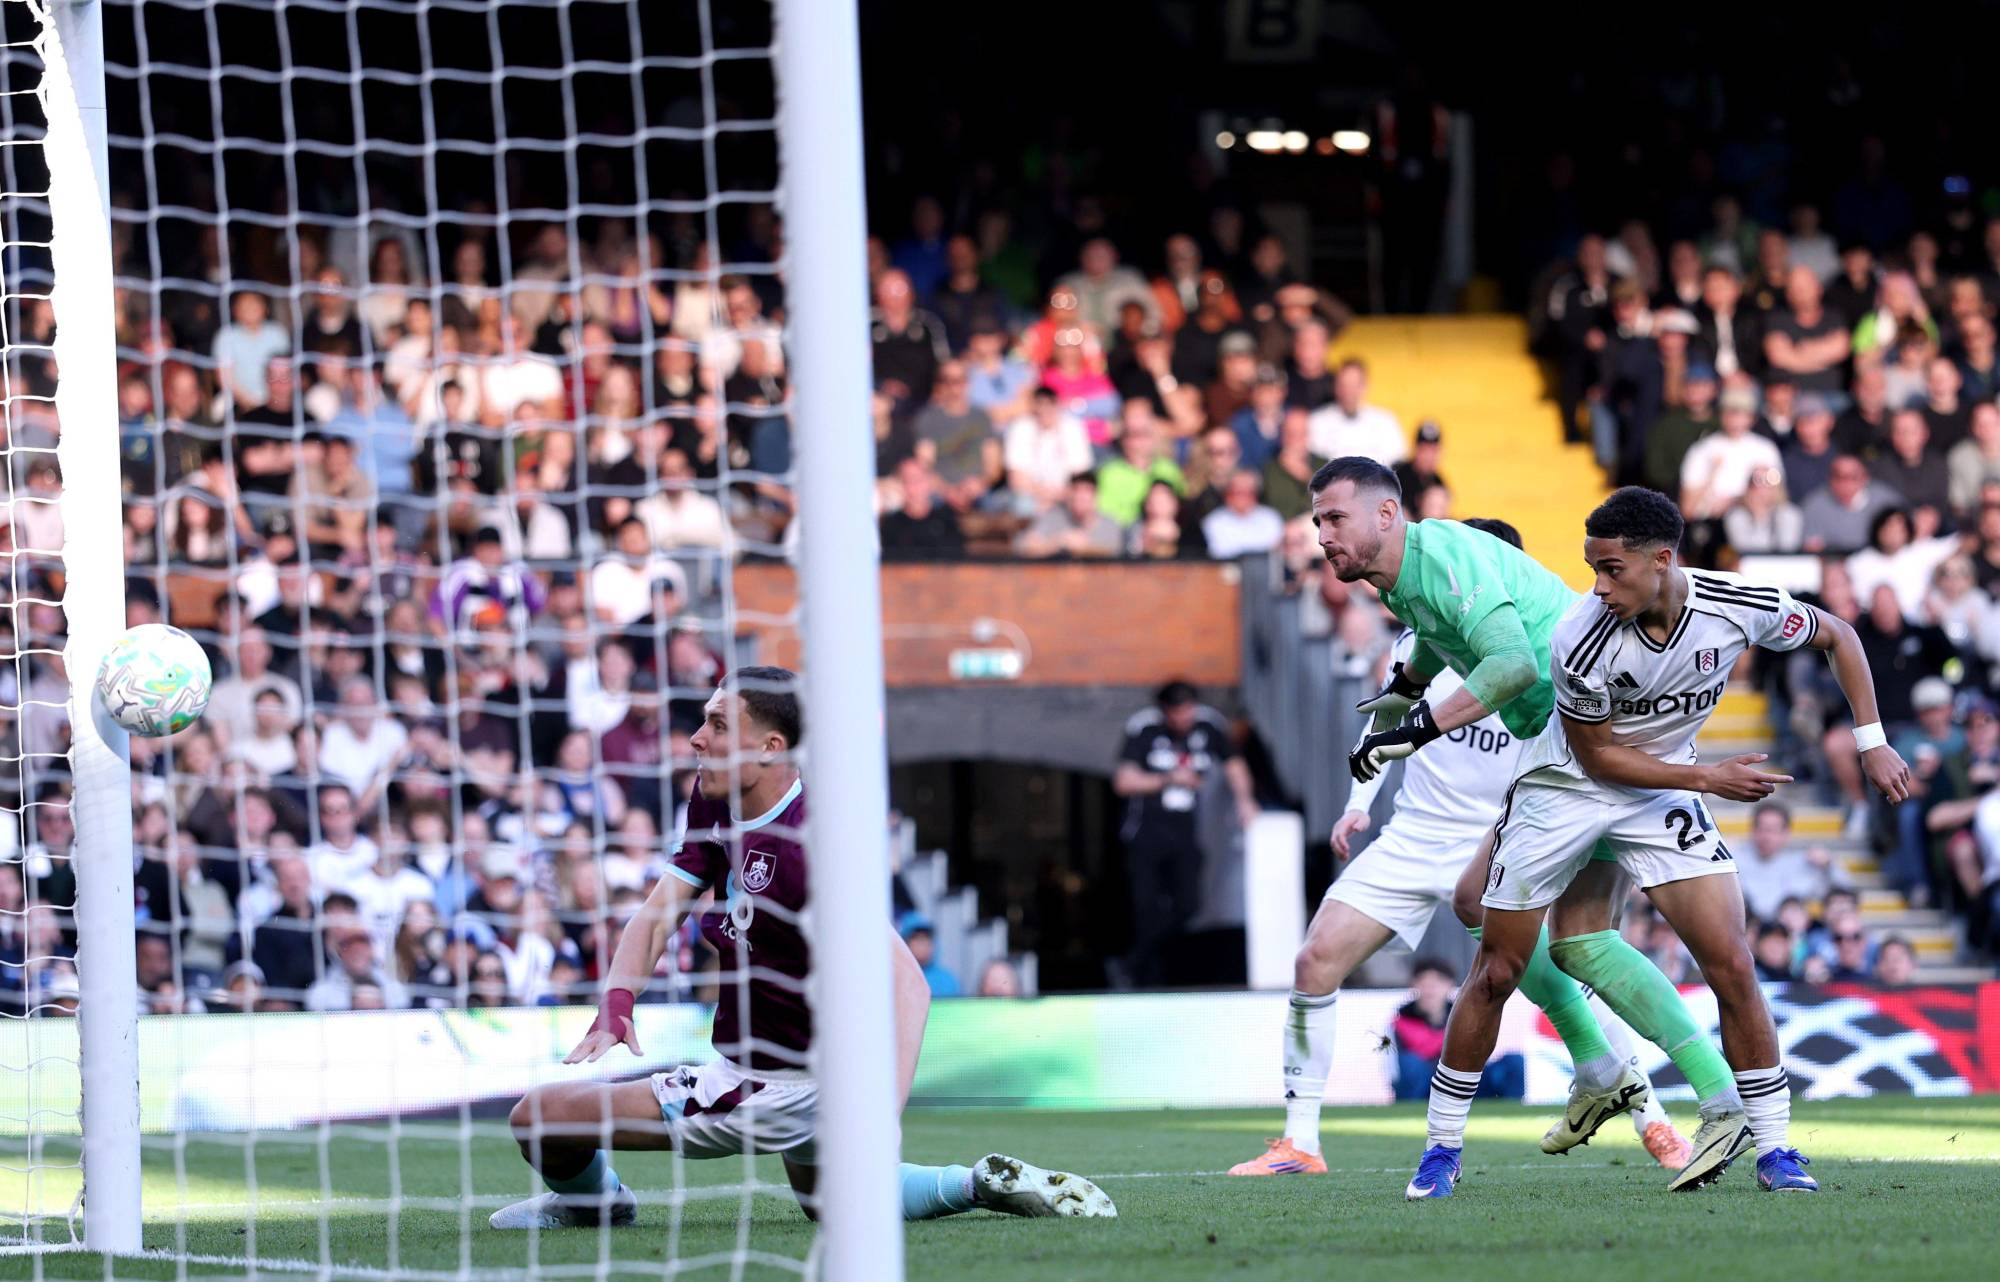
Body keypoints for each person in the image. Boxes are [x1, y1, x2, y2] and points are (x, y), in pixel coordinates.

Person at [1397, 487, 1911, 1200]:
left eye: (1612, 570)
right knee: (1497, 967)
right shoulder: (1578, 635)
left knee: (1732, 962)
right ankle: (1440, 1151)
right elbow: (1601, 759)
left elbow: (1839, 637)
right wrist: (1707, 777)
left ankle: (1774, 1148)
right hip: (1565, 786)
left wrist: (1871, 742)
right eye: (1593, 569)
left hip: (1664, 790)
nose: (1599, 586)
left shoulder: (1738, 604)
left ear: (1661, 560)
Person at [489, 668, 1114, 1228]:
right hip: (809, 1075)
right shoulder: (714, 801)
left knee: (536, 1116)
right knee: (832, 1206)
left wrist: (882, 1116)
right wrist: (619, 999)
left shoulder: (815, 846)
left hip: (770, 1084)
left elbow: (908, 984)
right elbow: (658, 915)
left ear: (771, 746)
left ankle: (595, 1204)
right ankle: (977, 1181)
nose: (696, 737)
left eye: (718, 724)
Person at [1226, 523, 1689, 1179]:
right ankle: (1300, 1143)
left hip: (1500, 837)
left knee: (1563, 986)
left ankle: (1656, 1120)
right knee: (1315, 961)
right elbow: (1388, 716)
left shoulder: (1553, 656)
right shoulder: (1426, 641)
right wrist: (1358, 806)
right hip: (1415, 836)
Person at [1313, 459, 1738, 1165]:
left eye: (1333, 518)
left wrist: (1414, 727)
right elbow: (1428, 643)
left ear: (1386, 515)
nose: (1322, 535)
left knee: (1589, 940)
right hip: (1574, 741)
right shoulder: (1409, 583)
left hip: (1583, 744)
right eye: (1318, 520)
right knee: (1561, 935)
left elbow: (1510, 665)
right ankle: (1651, 1082)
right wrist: (1399, 695)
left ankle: (1703, 1094)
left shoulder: (1451, 564)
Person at [1112, 681, 1259, 988]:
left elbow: (1234, 765)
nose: (1184, 719)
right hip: (1146, 833)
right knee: (1145, 907)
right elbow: (1123, 781)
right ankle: (1142, 974)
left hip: (1186, 833)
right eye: (1177, 713)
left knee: (1189, 904)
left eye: (1188, 711)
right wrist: (1169, 779)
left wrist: (1245, 800)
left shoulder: (1208, 725)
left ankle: (1141, 963)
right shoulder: (1145, 728)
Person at [1390, 959, 1524, 1102]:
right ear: (1414, 985)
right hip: (1427, 1087)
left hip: (1466, 1081)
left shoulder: (1466, 1015)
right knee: (1410, 1063)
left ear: (1449, 985)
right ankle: (1410, 1114)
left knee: (1514, 1060)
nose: (1430, 989)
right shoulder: (1401, 1020)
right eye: (1424, 983)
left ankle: (1513, 1111)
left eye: (1437, 983)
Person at [1734, 804, 1844, 923]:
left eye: (1772, 830)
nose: (1766, 837)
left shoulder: (1802, 863)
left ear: (1786, 833)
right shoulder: (1735, 859)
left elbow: (1845, 891)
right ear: (1752, 830)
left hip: (1790, 935)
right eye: (1761, 829)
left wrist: (1828, 865)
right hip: (1746, 929)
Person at [896, 912, 961, 997]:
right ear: (904, 943)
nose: (922, 944)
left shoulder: (948, 980)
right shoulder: (894, 978)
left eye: (926, 938)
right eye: (917, 939)